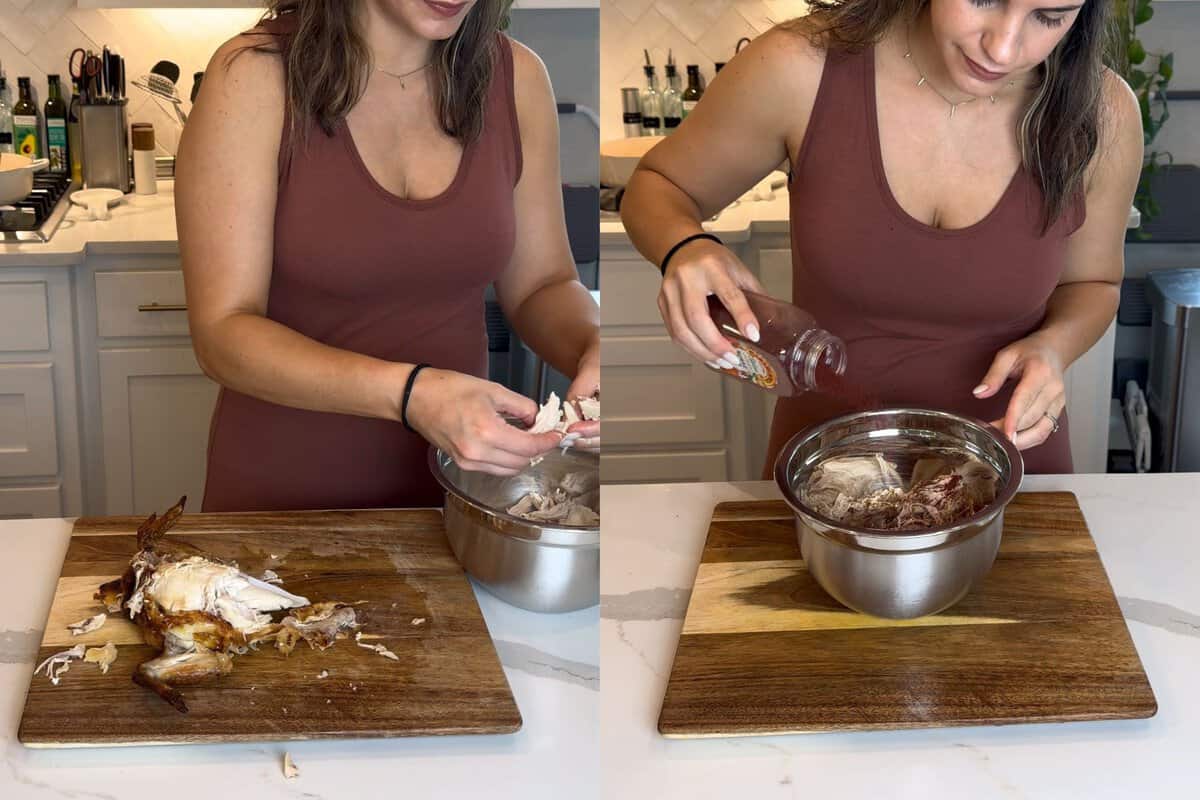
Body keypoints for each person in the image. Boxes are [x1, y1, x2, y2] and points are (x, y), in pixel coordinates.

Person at [620, 0, 1142, 475]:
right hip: (827, 465)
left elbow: (1094, 283)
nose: (1004, 47)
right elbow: (657, 187)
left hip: (1009, 460)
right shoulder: (798, 67)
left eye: (1050, 16)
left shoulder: (1103, 113)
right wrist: (684, 247)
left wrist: (1054, 347)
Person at [176, 0, 600, 511]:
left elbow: (543, 284)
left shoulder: (518, 78)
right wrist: (410, 394)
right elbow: (222, 332)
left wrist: (594, 343)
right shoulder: (252, 75)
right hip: (282, 500)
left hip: (457, 494)